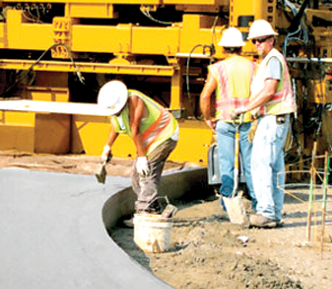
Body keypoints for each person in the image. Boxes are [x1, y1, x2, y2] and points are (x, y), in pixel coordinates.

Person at [233, 19, 296, 228]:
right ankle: (274, 214)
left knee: (260, 165)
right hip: (275, 118)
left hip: (272, 118)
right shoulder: (270, 60)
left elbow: (269, 91)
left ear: (271, 39)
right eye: (254, 41)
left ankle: (266, 212)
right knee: (275, 167)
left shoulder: (273, 60)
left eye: (260, 40)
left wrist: (246, 107)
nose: (257, 45)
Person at [98, 80, 179, 215]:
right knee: (136, 176)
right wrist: (107, 147)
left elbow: (135, 129)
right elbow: (115, 127)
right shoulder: (115, 110)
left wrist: (142, 157)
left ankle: (145, 213)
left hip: (165, 134)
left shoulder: (134, 100)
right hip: (149, 141)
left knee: (147, 172)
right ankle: (153, 208)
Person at [199, 27, 256, 201]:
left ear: (223, 48)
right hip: (248, 121)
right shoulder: (254, 67)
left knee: (227, 164)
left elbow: (204, 96)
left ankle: (227, 200)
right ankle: (256, 201)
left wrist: (208, 118)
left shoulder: (217, 68)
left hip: (224, 121)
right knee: (250, 164)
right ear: (241, 47)